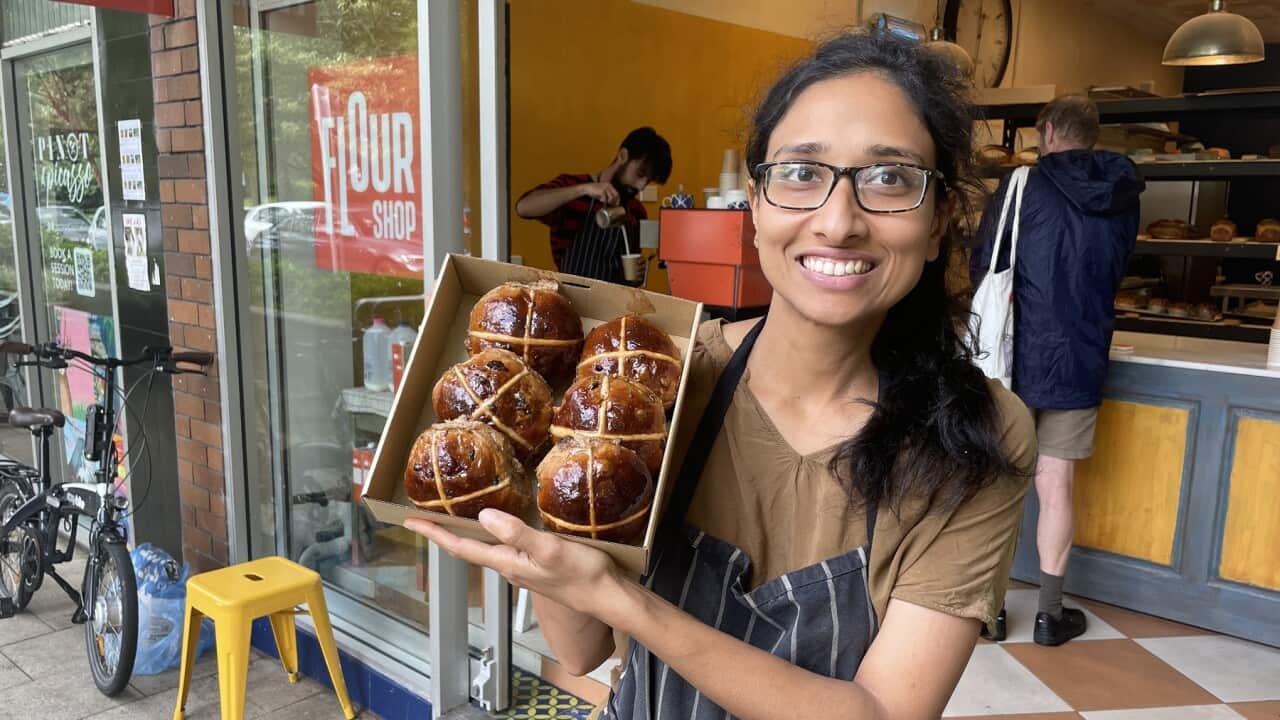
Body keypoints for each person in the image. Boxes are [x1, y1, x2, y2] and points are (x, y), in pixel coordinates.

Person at [409, 31, 1035, 719]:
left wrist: (629, 605)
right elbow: (583, 649)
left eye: (890, 178)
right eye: (801, 172)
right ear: (756, 204)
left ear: (941, 217)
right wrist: (536, 514)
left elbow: (883, 713)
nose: (837, 221)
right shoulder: (656, 386)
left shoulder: (977, 439)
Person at [970, 95, 1142, 646]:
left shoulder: (1023, 185)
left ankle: (991, 613)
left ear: (1045, 131)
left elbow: (986, 263)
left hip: (1014, 358)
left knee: (1000, 483)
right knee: (1057, 485)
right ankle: (1049, 615)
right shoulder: (1124, 192)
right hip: (1083, 354)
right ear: (1094, 136)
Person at [515, 127, 672, 284]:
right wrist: (583, 189)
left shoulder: (636, 211)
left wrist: (636, 273)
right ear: (623, 156)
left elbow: (630, 268)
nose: (641, 186)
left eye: (648, 180)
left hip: (614, 303)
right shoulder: (572, 188)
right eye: (640, 174)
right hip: (573, 299)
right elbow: (523, 207)